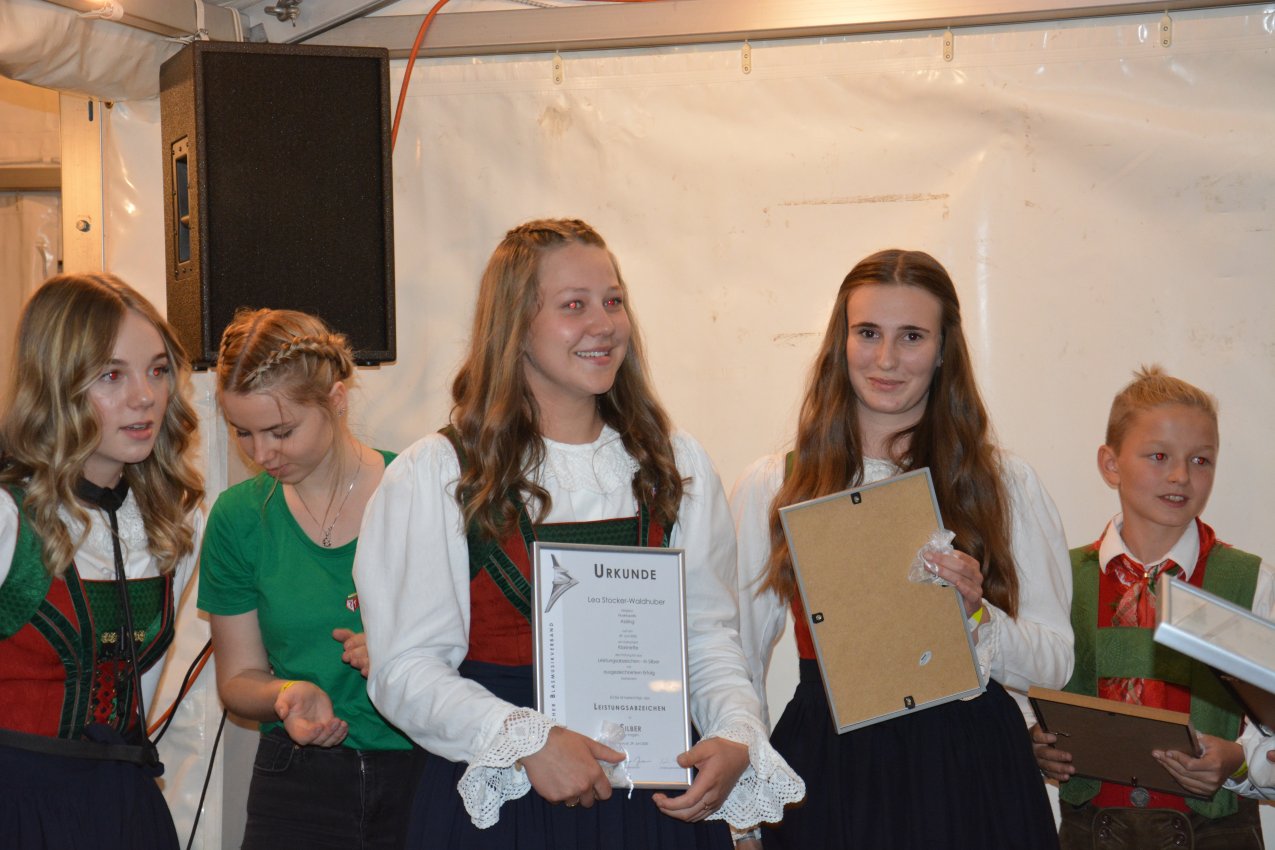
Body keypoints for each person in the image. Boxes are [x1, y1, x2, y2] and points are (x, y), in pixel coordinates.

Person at [353, 218, 804, 849]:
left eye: (613, 301)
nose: (604, 324)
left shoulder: (673, 463)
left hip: (654, 803)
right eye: (574, 305)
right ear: (515, 325)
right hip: (512, 804)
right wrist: (528, 742)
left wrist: (734, 730)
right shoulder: (440, 474)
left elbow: (705, 636)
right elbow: (404, 669)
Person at [731, 249, 1072, 848]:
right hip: (831, 769)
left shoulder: (1003, 482)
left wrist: (976, 616)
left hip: (973, 769)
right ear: (840, 342)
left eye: (912, 336)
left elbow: (1055, 664)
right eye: (868, 333)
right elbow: (738, 658)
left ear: (943, 350)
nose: (886, 358)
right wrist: (746, 811)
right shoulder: (776, 483)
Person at [198, 309, 423, 849]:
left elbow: (486, 648)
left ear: (336, 400)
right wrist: (286, 694)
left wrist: (408, 655)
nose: (261, 454)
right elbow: (238, 679)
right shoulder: (238, 517)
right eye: (243, 433)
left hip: (420, 772)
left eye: (281, 431)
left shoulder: (418, 493)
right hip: (295, 783)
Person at [0, 273, 204, 849]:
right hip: (18, 807)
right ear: (56, 385)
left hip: (125, 806)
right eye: (112, 375)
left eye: (157, 370)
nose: (145, 396)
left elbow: (139, 693)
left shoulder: (176, 520)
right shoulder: (9, 516)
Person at [1032, 366, 1275, 849]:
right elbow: (1021, 687)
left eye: (1201, 460)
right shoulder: (1061, 578)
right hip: (1088, 833)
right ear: (1110, 464)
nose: (1181, 476)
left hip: (1217, 835)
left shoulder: (1249, 583)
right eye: (1159, 456)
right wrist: (1031, 743)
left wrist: (1237, 761)